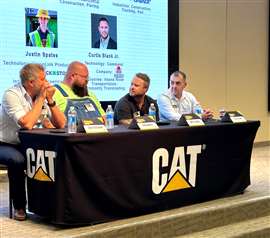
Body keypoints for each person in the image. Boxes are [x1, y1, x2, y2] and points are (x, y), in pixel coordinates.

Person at [0, 64, 66, 221]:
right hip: (5, 143)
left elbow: (62, 124)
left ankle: (49, 204)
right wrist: (42, 98)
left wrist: (50, 100)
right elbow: (27, 124)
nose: (47, 83)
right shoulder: (11, 94)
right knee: (18, 160)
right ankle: (20, 206)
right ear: (31, 82)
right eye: (43, 79)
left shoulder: (41, 95)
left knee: (58, 154)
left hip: (29, 143)